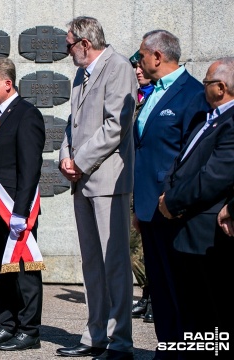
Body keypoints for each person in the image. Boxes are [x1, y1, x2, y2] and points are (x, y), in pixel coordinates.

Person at [57, 16, 137, 360]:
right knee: (92, 263)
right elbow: (72, 123)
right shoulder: (81, 73)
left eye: (69, 45)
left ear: (85, 44)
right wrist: (64, 156)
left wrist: (80, 160)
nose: (67, 52)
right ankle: (95, 335)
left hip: (107, 180)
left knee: (113, 263)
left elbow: (115, 126)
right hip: (82, 180)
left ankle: (120, 342)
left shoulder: (118, 68)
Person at [132, 30, 208, 358]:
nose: (138, 61)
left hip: (173, 210)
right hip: (149, 210)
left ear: (158, 57)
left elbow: (194, 155)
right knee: (160, 290)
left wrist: (171, 197)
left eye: (141, 56)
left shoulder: (192, 93)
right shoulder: (153, 92)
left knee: (182, 292)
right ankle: (167, 349)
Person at [159, 57, 234, 354]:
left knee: (212, 316)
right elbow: (181, 164)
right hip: (184, 228)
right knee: (193, 314)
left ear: (220, 87)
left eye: (205, 83)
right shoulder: (209, 118)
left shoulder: (230, 123)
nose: (201, 88)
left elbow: (213, 177)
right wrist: (167, 194)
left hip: (206, 233)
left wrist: (173, 201)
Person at [0, 57, 45, 352]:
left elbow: (30, 168)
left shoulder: (27, 114)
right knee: (0, 272)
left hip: (14, 210)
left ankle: (29, 330)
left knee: (25, 273)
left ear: (7, 83)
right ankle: (8, 324)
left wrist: (21, 211)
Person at [127, 50, 155, 323]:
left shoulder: (156, 99)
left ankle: (155, 297)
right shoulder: (135, 99)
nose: (137, 71)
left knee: (146, 245)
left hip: (149, 183)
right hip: (131, 180)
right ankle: (148, 294)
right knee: (133, 244)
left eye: (142, 67)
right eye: (135, 67)